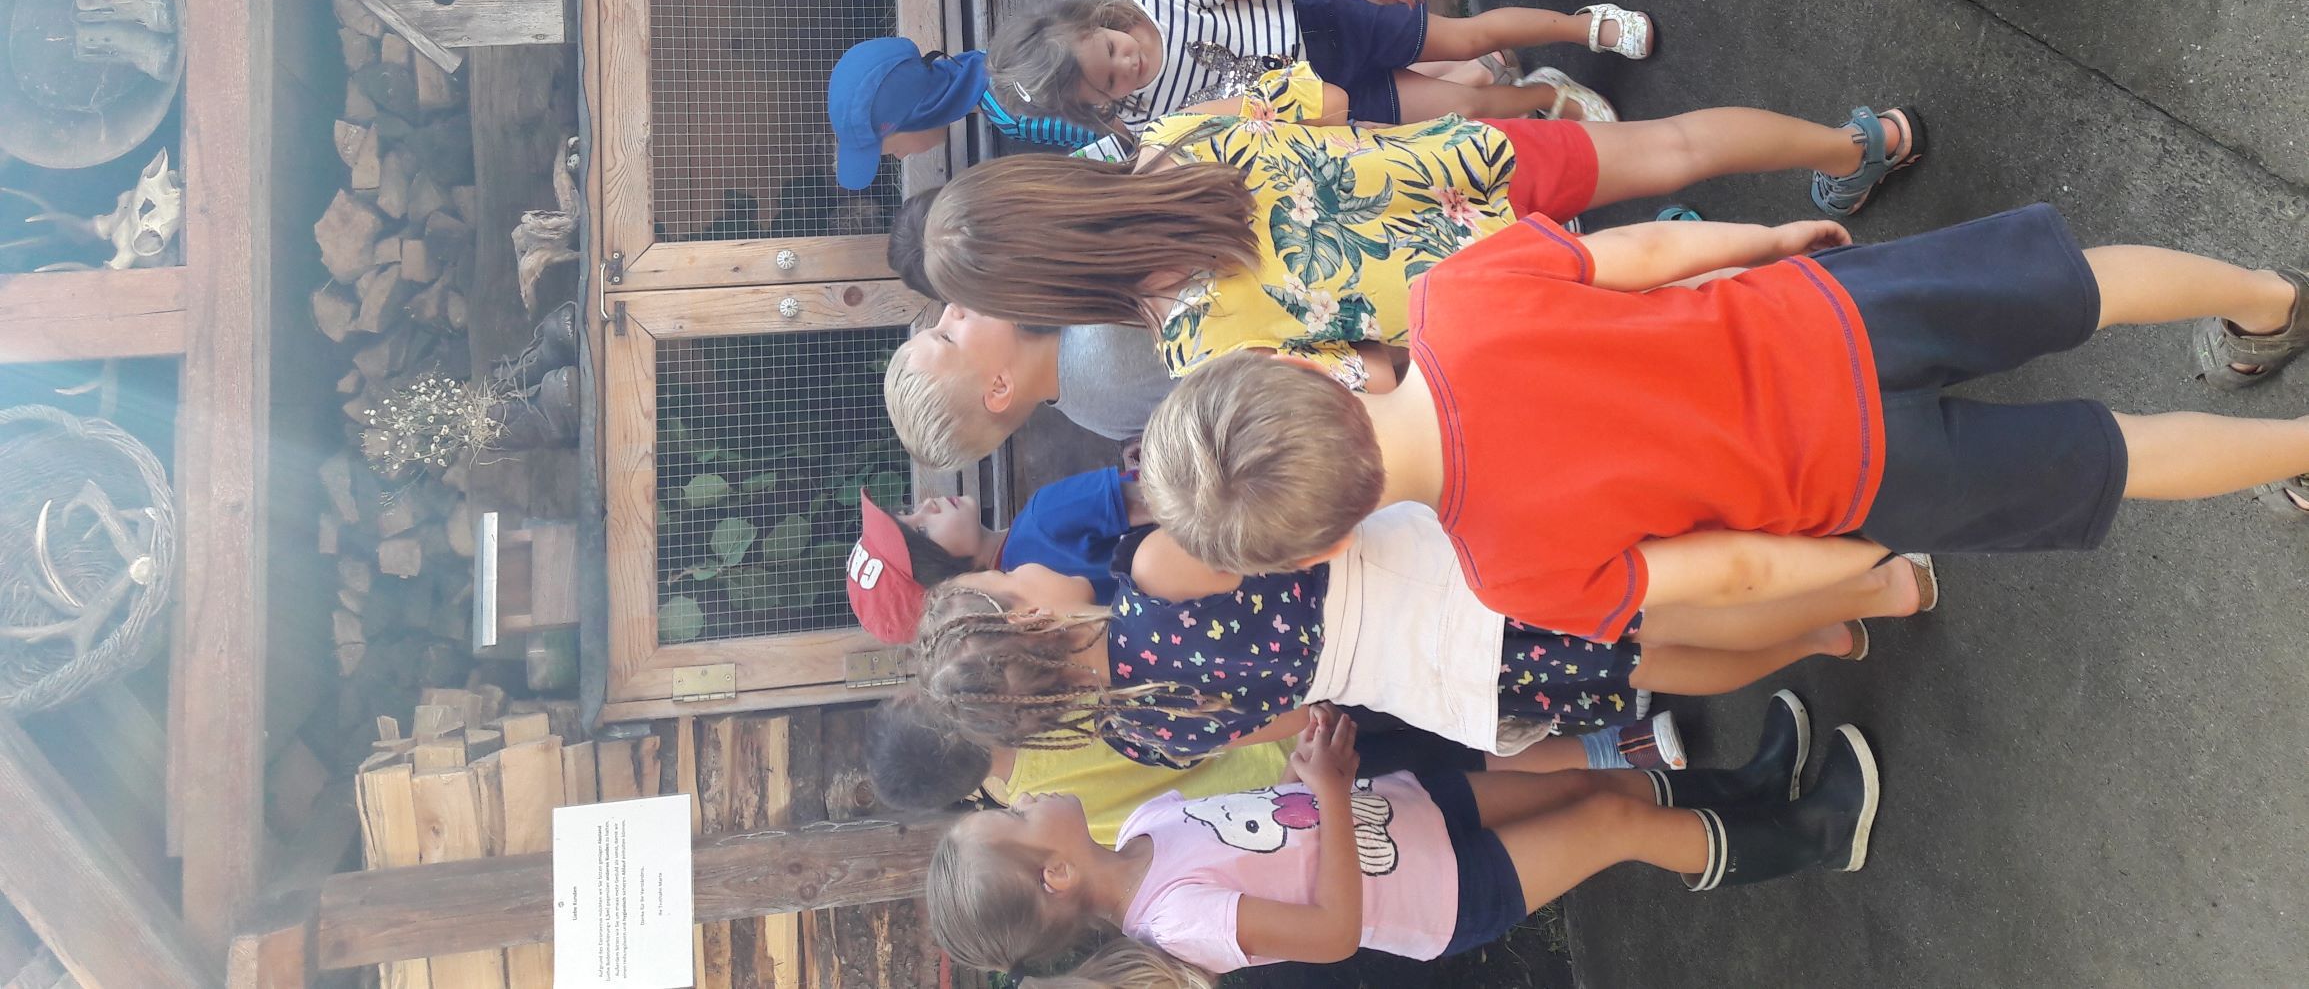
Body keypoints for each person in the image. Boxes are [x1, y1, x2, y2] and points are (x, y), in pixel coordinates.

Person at [1135, 205, 2309, 641]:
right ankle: (2265, 299)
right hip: (1828, 315)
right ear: (1299, 364)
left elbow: (1735, 573)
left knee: (2113, 455)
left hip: (1855, 479)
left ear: (1320, 547)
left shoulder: (1513, 577)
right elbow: (1644, 250)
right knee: (2072, 284)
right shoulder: (1456, 295)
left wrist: (1853, 557)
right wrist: (1765, 240)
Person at [915, 63, 1924, 386]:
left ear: (1045, 297)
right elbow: (1321, 97)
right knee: (1672, 144)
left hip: (1495, 292)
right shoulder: (1177, 140)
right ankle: (1858, 145)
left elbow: (1374, 376)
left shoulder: (1197, 352)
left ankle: (1866, 292)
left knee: (1673, 299)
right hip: (1463, 161)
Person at [926, 700, 1878, 989]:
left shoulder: (1141, 828)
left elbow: (1272, 823)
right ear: (1054, 871)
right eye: (1012, 816)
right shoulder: (1175, 921)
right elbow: (1333, 932)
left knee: (1582, 785)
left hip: (1410, 811)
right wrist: (1330, 795)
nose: (1025, 794)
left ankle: (1751, 791)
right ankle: (1815, 835)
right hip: (1439, 895)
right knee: (1608, 826)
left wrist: (1313, 770)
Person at [909, 508, 1920, 770]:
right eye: (1003, 580)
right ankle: (1876, 588)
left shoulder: (1140, 736)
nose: (1020, 565)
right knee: (1649, 600)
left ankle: (1822, 639)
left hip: (1433, 680)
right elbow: (1297, 535)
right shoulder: (1152, 572)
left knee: (1643, 661)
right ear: (1025, 619)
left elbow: (1294, 717)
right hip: (1443, 585)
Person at [989, 0, 1647, 135]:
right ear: (1093, 107)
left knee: (1468, 35)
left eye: (1110, 50)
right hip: (1322, 101)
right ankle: (1543, 95)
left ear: (1091, 21)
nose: (1126, 65)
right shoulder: (1141, 120)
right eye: (1108, 83)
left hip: (1329, 26)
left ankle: (1580, 25)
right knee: (1463, 109)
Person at [846, 472, 1145, 644]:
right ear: (950, 590)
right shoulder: (1042, 518)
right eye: (922, 531)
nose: (927, 504)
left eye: (908, 510)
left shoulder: (1029, 644)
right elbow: (1163, 499)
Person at [883, 293, 1177, 468]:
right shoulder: (1103, 340)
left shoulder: (1093, 415)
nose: (950, 311)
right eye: (947, 337)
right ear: (999, 387)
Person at [830, 38, 1108, 193]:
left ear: (919, 115)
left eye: (892, 151)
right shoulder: (995, 55)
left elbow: (1116, 130)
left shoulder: (1013, 112)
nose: (901, 157)